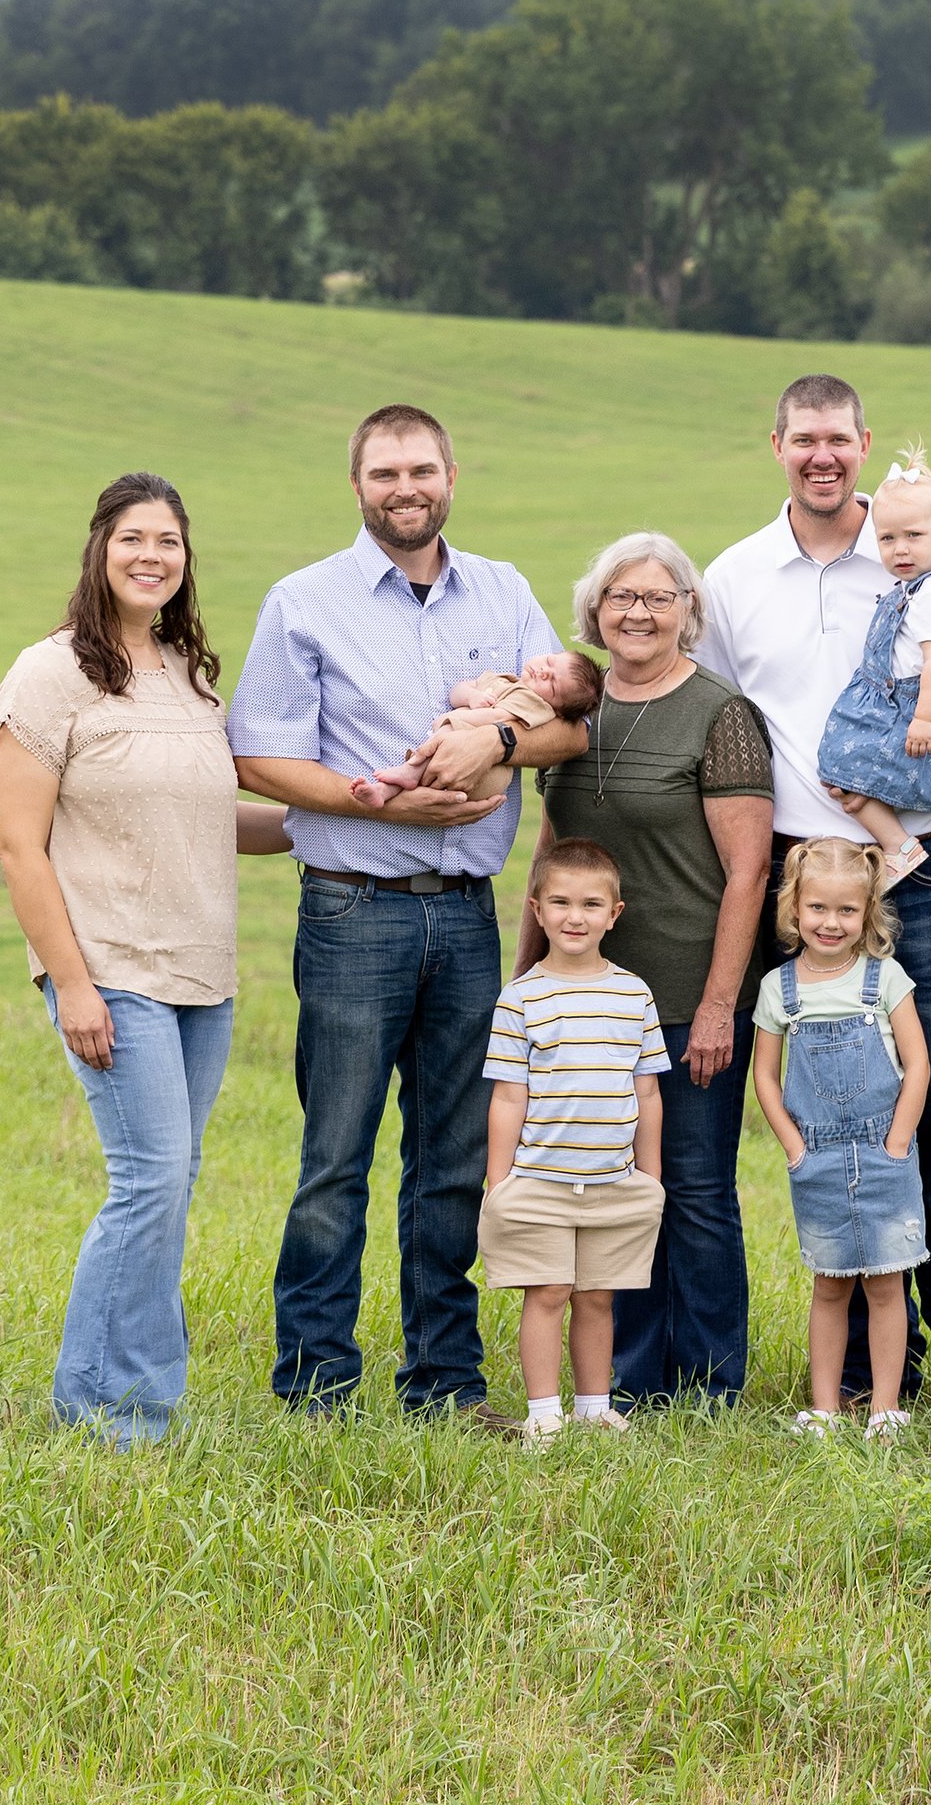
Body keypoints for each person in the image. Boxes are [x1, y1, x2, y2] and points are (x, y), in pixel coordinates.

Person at [228, 403, 588, 1425]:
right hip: (353, 912)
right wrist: (377, 803)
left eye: (421, 470)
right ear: (357, 485)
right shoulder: (304, 602)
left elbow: (574, 724)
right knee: (335, 1159)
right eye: (384, 473)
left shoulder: (504, 592)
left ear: (450, 478)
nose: (405, 488)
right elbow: (258, 756)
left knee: (452, 1160)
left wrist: (496, 744)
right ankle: (317, 1385)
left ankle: (443, 1383)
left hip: (467, 918)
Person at [700, 375, 931, 1407]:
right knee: (836, 1113)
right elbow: (705, 710)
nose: (822, 455)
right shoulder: (736, 577)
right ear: (777, 446)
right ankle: (878, 1369)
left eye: (838, 438)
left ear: (864, 443)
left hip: (911, 868)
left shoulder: (924, 557)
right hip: (799, 882)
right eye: (804, 439)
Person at [0, 470, 242, 1446]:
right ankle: (102, 1412)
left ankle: (142, 1403)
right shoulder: (49, 675)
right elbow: (19, 847)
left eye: (168, 540)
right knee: (148, 1183)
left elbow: (211, 819)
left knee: (170, 1189)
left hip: (201, 976)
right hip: (111, 972)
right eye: (133, 537)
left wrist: (351, 817)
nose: (151, 555)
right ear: (99, 548)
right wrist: (73, 984)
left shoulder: (189, 675)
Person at [520, 532, 774, 1407]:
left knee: (694, 1190)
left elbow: (749, 871)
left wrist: (719, 1006)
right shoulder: (570, 713)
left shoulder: (719, 713)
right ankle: (630, 1383)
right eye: (622, 597)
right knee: (610, 1188)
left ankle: (709, 1386)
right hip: (584, 1002)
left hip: (686, 993)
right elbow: (550, 855)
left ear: (687, 612)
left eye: (659, 598)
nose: (638, 613)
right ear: (594, 610)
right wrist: (524, 983)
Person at [480, 837, 668, 1444]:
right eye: (560, 902)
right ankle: (544, 1413)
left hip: (613, 1179)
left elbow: (647, 1093)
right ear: (537, 910)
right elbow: (508, 1097)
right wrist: (499, 1181)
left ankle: (593, 1405)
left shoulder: (634, 994)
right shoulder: (521, 998)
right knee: (549, 1291)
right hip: (540, 1179)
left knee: (596, 1296)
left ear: (614, 914)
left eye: (591, 904)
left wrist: (650, 1176)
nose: (575, 917)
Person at [749, 841, 930, 1439]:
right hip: (818, 1158)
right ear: (794, 908)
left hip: (884, 1154)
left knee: (886, 1285)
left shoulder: (885, 979)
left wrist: (898, 1142)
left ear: (868, 912)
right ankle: (824, 1408)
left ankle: (885, 1408)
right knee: (829, 1287)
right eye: (818, 908)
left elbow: (918, 1064)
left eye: (847, 910)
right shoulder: (779, 989)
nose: (831, 922)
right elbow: (765, 1077)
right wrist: (794, 1147)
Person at [816, 449, 931, 888]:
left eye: (913, 536)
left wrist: (924, 719)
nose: (900, 549)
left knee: (840, 767)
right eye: (887, 539)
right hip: (914, 699)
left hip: (917, 703)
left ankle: (899, 846)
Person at [350, 647, 604, 808]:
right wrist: (471, 697)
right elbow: (458, 691)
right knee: (447, 743)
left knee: (453, 736)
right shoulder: (506, 680)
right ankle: (382, 791)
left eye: (553, 685)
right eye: (549, 661)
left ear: (557, 709)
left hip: (486, 774)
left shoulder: (535, 705)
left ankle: (406, 773)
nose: (543, 672)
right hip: (459, 755)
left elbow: (498, 718)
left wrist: (452, 721)